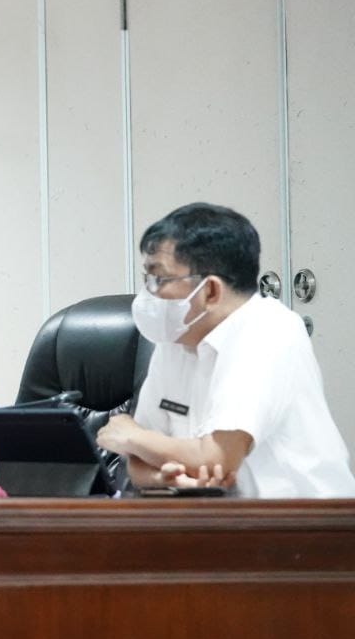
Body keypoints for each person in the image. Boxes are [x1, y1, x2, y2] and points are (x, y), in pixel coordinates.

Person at [96, 202, 355, 497]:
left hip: (307, 528)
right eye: (148, 278)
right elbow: (137, 466)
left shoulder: (269, 330)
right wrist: (165, 475)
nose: (149, 293)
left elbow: (217, 457)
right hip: (222, 521)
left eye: (160, 279)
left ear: (210, 291)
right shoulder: (176, 339)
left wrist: (133, 436)